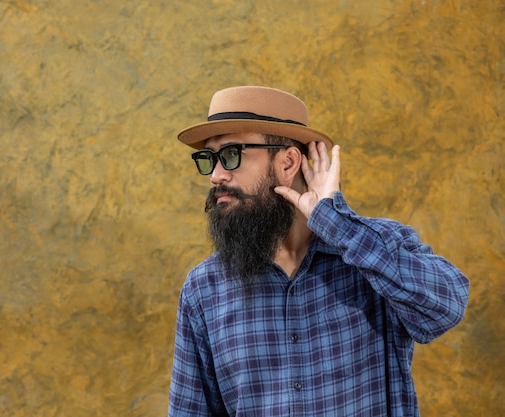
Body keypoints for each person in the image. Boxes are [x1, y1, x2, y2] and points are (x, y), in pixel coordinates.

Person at [167, 86, 469, 417]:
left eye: (230, 155)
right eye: (209, 159)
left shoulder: (376, 249)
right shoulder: (204, 288)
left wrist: (336, 224)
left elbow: (446, 306)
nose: (215, 176)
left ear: (288, 162)